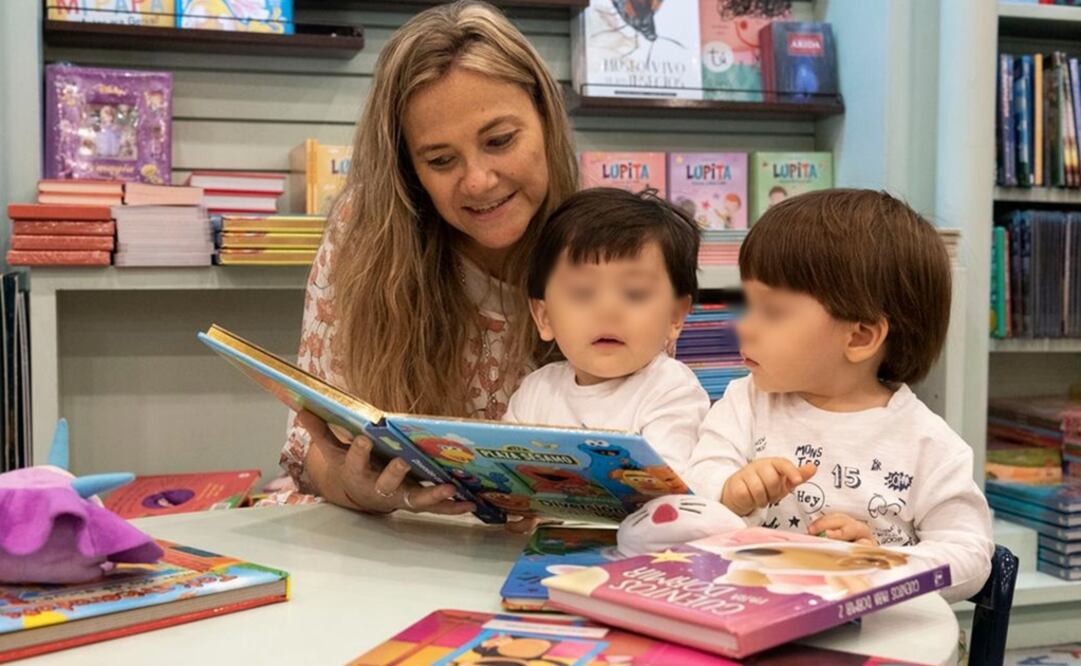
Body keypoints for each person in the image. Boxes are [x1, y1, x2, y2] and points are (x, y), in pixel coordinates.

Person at [273, 1, 579, 518]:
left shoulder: (602, 241)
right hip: (399, 546)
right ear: (409, 170)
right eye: (440, 160)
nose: (478, 180)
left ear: (547, 119)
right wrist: (361, 490)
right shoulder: (364, 237)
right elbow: (311, 451)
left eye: (500, 140)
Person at [686, 189, 993, 602]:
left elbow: (970, 554)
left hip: (877, 635)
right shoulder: (747, 400)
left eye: (772, 312)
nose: (744, 327)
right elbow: (695, 489)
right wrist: (730, 490)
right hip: (755, 608)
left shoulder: (927, 443)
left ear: (860, 337)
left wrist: (881, 564)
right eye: (748, 304)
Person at [504, 188, 710, 477]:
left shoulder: (671, 389)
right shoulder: (536, 391)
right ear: (544, 316)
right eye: (583, 292)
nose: (608, 310)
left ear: (675, 316)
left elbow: (663, 489)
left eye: (635, 293)